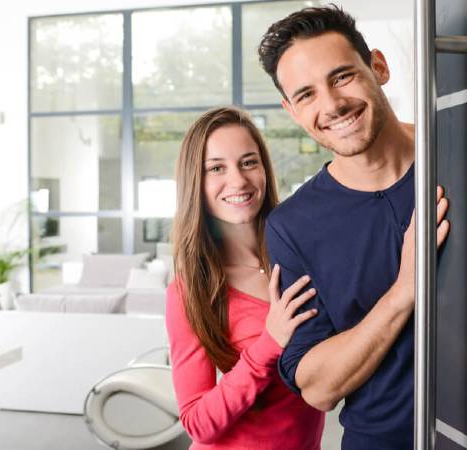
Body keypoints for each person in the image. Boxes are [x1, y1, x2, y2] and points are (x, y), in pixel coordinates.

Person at [257, 6, 450, 449]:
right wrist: (404, 291)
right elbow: (318, 387)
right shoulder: (292, 226)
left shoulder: (462, 155)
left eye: (342, 76)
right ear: (291, 111)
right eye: (305, 95)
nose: (331, 105)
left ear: (377, 67)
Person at [165, 107, 325, 449]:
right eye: (216, 168)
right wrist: (270, 341)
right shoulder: (189, 291)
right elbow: (196, 423)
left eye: (249, 162)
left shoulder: (300, 259)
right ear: (196, 180)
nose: (238, 180)